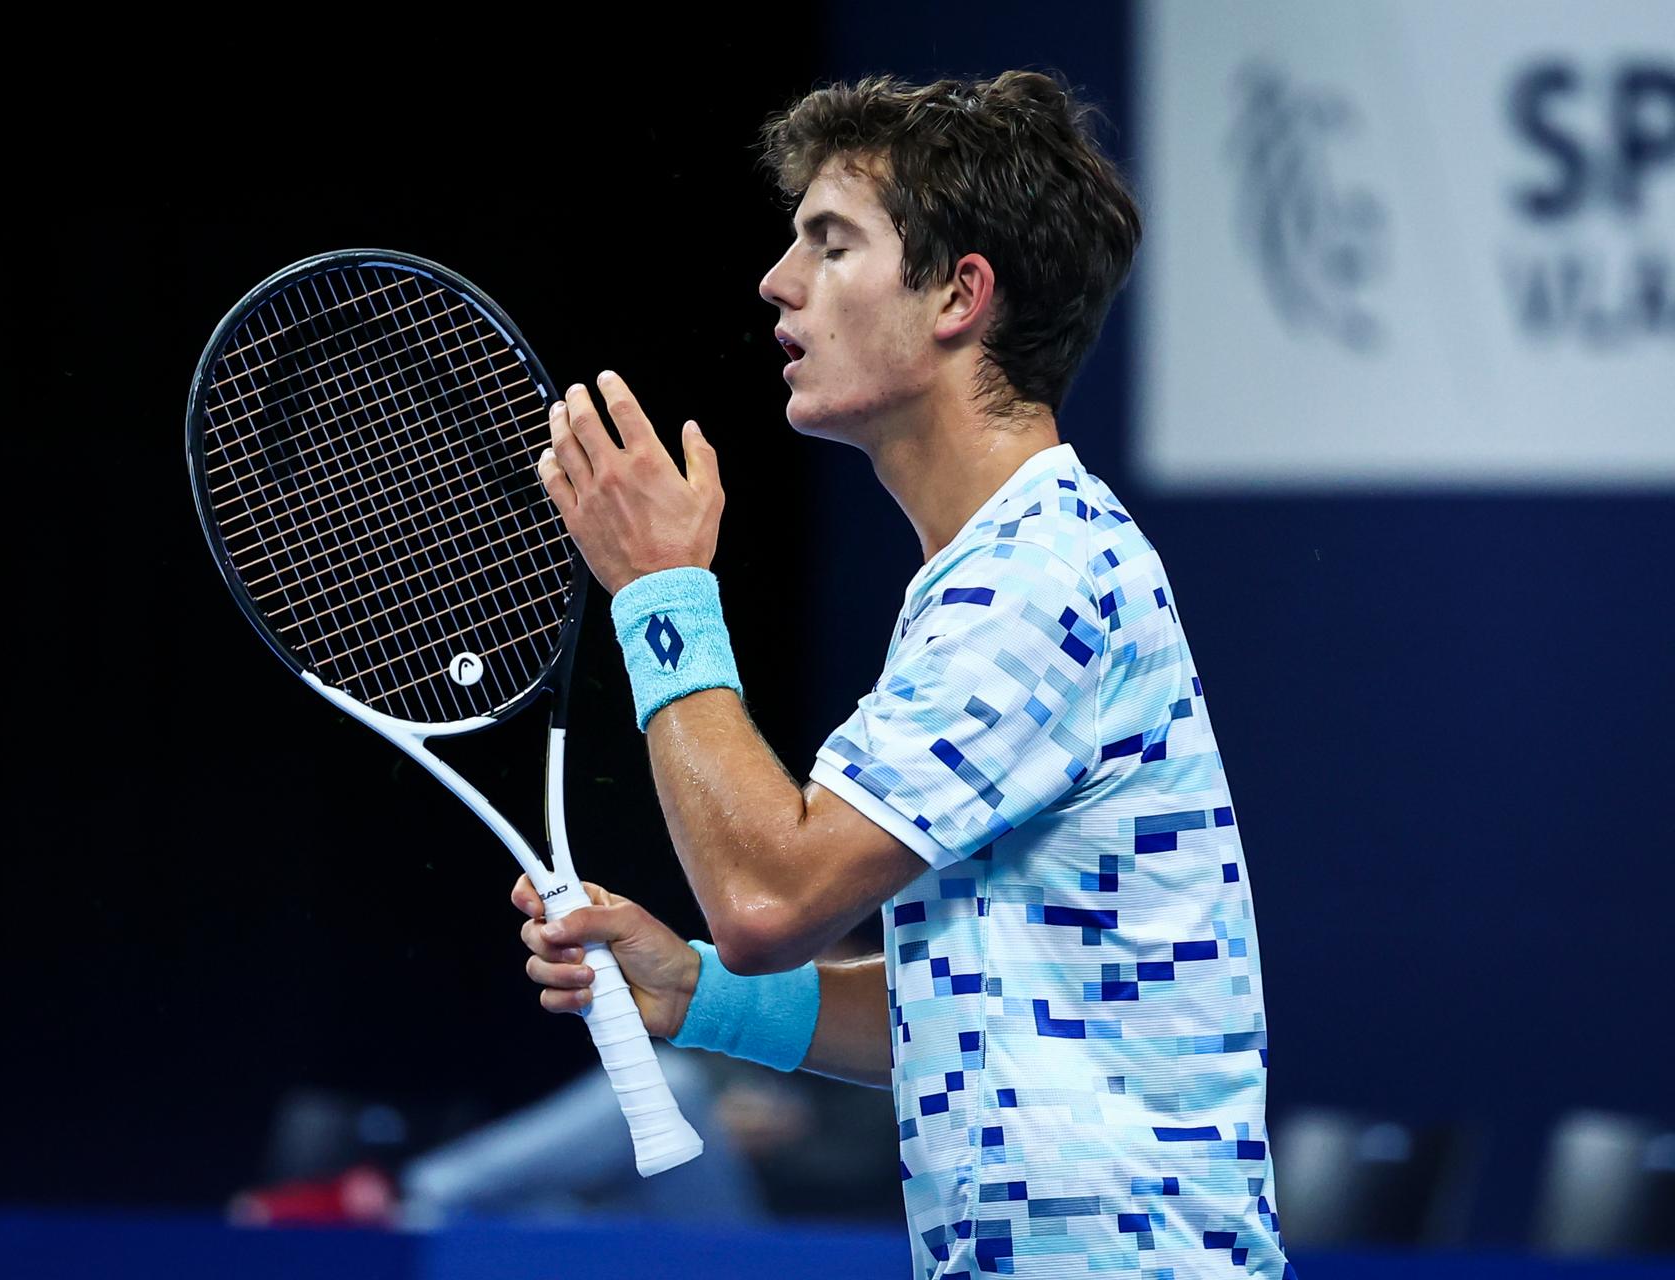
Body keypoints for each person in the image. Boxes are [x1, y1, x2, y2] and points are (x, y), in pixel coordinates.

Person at [516, 71, 1295, 1278]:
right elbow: (976, 1008)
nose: (778, 282)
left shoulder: (1037, 576)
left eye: (831, 245)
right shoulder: (1006, 566)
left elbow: (766, 900)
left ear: (958, 296)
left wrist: (662, 591)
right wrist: (700, 992)